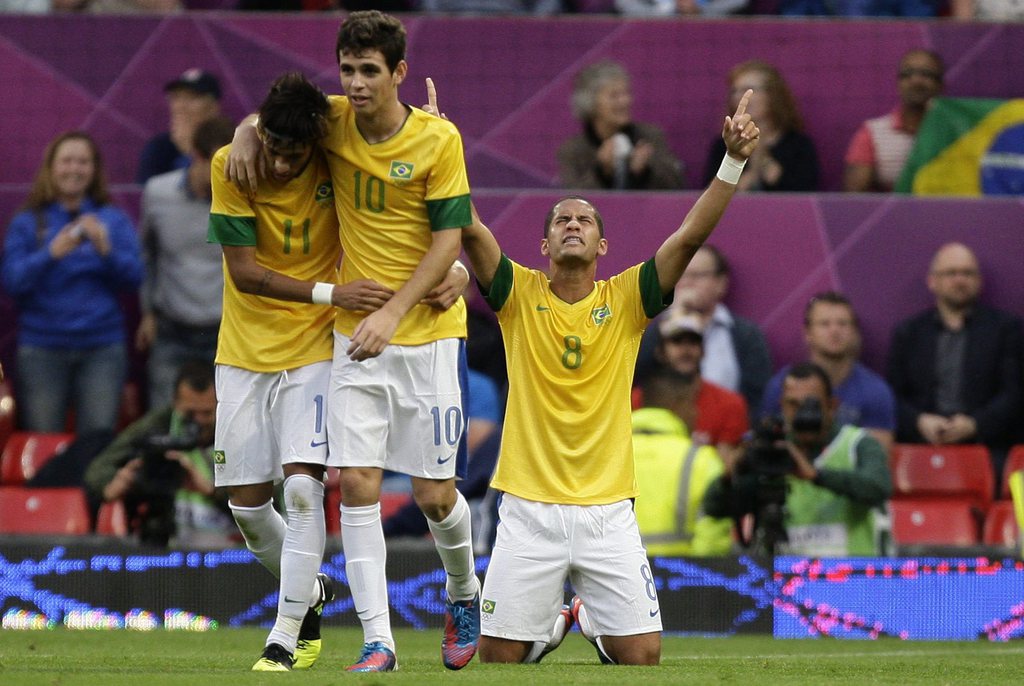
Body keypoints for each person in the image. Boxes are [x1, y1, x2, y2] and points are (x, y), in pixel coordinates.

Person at [459, 86, 760, 665]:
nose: (574, 224)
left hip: (607, 510)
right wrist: (442, 149)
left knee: (642, 657)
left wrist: (733, 160)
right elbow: (470, 227)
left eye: (586, 220)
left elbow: (691, 236)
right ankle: (548, 628)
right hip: (526, 504)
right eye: (562, 220)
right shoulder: (516, 294)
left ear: (603, 244)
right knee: (497, 660)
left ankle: (592, 620)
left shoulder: (628, 299)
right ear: (544, 243)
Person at [226, 11, 481, 673]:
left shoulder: (438, 139)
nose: (358, 83)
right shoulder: (330, 122)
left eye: (372, 70)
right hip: (353, 338)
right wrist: (246, 130)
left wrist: (403, 306)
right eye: (349, 70)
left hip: (423, 334)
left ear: (399, 72)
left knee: (434, 496)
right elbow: (271, 117)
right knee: (356, 484)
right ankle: (380, 640)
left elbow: (452, 239)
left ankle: (463, 589)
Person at [1, 131, 143, 434]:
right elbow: (12, 282)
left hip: (101, 348)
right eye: (66, 161)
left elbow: (134, 278)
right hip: (43, 349)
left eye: (83, 162)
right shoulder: (28, 221)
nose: (74, 169)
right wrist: (50, 254)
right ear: (51, 167)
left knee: (97, 440)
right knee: (43, 440)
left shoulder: (112, 220)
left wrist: (106, 251)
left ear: (94, 170)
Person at [703, 362, 893, 557]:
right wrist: (729, 475)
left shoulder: (857, 444)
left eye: (812, 404)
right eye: (793, 404)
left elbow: (878, 487)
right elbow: (713, 508)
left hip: (852, 581)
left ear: (831, 406)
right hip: (790, 581)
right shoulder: (771, 451)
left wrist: (816, 475)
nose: (802, 413)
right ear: (781, 406)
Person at [886, 242, 1023, 484]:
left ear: (979, 281)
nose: (960, 280)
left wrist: (974, 424)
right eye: (951, 273)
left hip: (988, 446)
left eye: (967, 273)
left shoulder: (1007, 330)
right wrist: (919, 421)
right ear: (932, 281)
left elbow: (1014, 393)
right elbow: (890, 395)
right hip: (921, 445)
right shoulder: (908, 333)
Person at [136, 116, 235, 410]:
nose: (226, 175)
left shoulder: (242, 199)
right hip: (171, 330)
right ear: (197, 157)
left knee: (228, 424)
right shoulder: (158, 194)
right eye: (218, 166)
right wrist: (148, 311)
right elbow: (147, 256)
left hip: (226, 332)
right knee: (165, 421)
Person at [83, 360, 234, 548]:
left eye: (206, 413)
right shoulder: (156, 425)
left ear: (219, 404)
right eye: (190, 413)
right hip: (168, 530)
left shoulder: (234, 432)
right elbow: (99, 469)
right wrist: (116, 483)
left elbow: (262, 501)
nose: (199, 421)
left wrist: (212, 490)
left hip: (230, 545)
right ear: (175, 403)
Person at [636, 244, 772, 420]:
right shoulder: (655, 331)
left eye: (697, 275)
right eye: (680, 274)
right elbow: (633, 375)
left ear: (721, 283)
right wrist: (673, 315)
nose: (686, 283)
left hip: (724, 435)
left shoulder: (746, 335)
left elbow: (758, 398)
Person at [760, 291, 896, 452]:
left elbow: (877, 460)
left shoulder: (876, 392)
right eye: (824, 324)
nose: (834, 331)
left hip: (848, 476)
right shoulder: (782, 386)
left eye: (843, 324)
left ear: (854, 332)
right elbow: (766, 444)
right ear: (807, 333)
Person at [633, 368, 734, 557]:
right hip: (683, 578)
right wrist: (695, 577)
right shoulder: (701, 459)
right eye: (693, 404)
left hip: (617, 578)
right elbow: (713, 533)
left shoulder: (609, 455)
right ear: (678, 405)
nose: (696, 413)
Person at [640, 311, 749, 463]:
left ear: (703, 351)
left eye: (693, 342)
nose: (686, 350)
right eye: (677, 341)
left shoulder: (730, 404)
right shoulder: (637, 399)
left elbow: (725, 468)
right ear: (660, 352)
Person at [557, 60, 684, 191]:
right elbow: (571, 202)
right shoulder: (573, 151)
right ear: (590, 103)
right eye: (614, 96)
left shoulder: (650, 137)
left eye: (626, 93)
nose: (625, 101)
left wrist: (645, 171)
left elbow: (677, 186)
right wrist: (602, 173)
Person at [702, 60, 819, 192]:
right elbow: (705, 196)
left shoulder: (798, 146)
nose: (739, 97)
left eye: (748, 90)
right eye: (734, 91)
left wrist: (774, 173)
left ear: (773, 95)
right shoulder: (724, 146)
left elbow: (808, 196)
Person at [843, 49, 945, 193]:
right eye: (907, 74)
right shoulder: (872, 133)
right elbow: (853, 196)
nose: (916, 81)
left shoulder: (958, 132)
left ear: (941, 85)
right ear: (898, 83)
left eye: (927, 74)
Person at [137, 68, 223, 184]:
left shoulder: (229, 142)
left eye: (192, 98)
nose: (181, 106)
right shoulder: (159, 147)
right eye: (176, 98)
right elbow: (148, 194)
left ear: (214, 106)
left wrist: (191, 152)